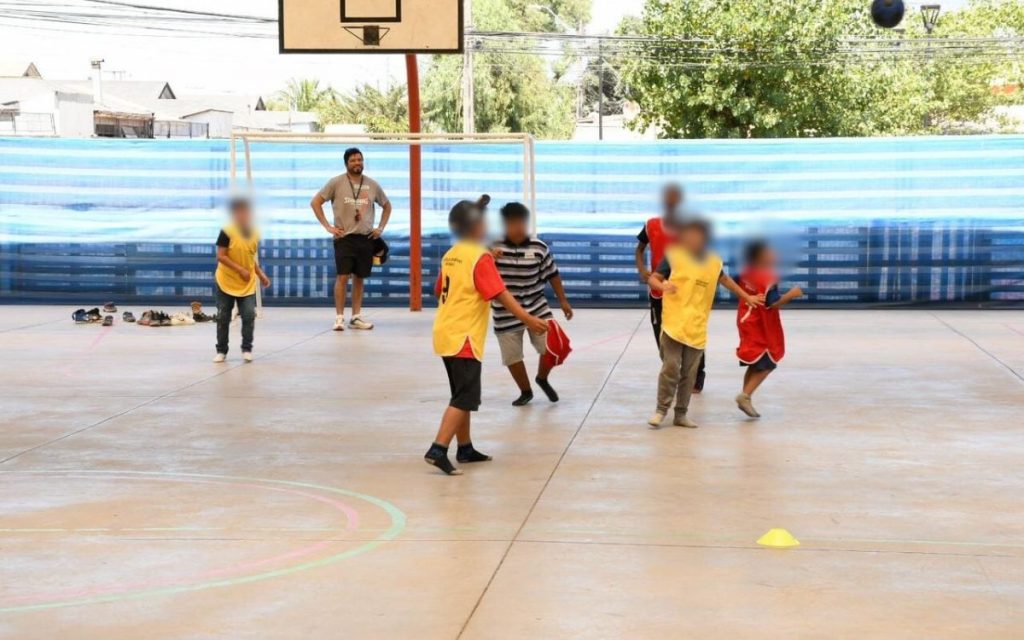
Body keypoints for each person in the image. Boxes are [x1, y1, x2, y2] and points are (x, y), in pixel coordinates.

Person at [424, 198, 549, 476]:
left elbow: (437, 290)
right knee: (464, 397)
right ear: (477, 226)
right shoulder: (479, 257)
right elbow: (501, 294)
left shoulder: (453, 253)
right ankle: (438, 448)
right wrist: (528, 318)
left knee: (461, 394)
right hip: (464, 336)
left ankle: (465, 448)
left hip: (445, 331)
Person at [646, 219, 764, 429]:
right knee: (670, 367)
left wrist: (747, 297)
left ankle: (681, 414)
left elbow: (726, 281)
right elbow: (653, 278)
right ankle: (660, 410)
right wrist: (662, 286)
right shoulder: (673, 256)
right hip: (674, 322)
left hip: (697, 325)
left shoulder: (713, 261)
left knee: (689, 373)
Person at [491, 202, 573, 406]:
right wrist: (488, 257)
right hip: (505, 311)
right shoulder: (493, 248)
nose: (518, 227)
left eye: (521, 223)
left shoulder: (538, 247)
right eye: (512, 223)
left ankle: (542, 378)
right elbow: (479, 272)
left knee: (554, 346)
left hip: (536, 306)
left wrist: (563, 300)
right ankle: (525, 390)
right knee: (512, 356)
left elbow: (553, 274)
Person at [310, 147, 392, 332]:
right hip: (344, 238)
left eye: (360, 160)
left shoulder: (372, 185)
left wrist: (380, 228)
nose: (357, 163)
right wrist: (328, 226)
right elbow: (315, 202)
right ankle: (339, 318)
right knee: (342, 277)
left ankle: (356, 317)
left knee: (360, 278)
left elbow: (387, 206)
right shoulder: (336, 183)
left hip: (365, 238)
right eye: (353, 160)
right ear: (346, 163)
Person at [636, 183, 707, 393]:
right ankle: (671, 369)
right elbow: (639, 249)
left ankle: (696, 375)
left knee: (692, 332)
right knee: (661, 334)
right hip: (659, 290)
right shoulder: (651, 225)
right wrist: (642, 270)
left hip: (685, 290)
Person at [734, 240, 804, 418]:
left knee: (754, 363)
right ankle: (745, 395)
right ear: (761, 256)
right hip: (760, 325)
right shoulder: (768, 277)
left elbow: (735, 284)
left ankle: (746, 396)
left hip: (745, 320)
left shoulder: (745, 272)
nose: (775, 254)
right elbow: (773, 303)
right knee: (767, 364)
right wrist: (792, 294)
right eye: (770, 252)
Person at [212, 197, 270, 363]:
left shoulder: (254, 233)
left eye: (246, 211)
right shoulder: (227, 231)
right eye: (240, 211)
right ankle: (221, 350)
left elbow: (251, 257)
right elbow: (221, 256)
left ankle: (246, 348)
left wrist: (260, 274)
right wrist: (240, 269)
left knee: (249, 314)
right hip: (226, 281)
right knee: (223, 316)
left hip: (246, 283)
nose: (244, 214)